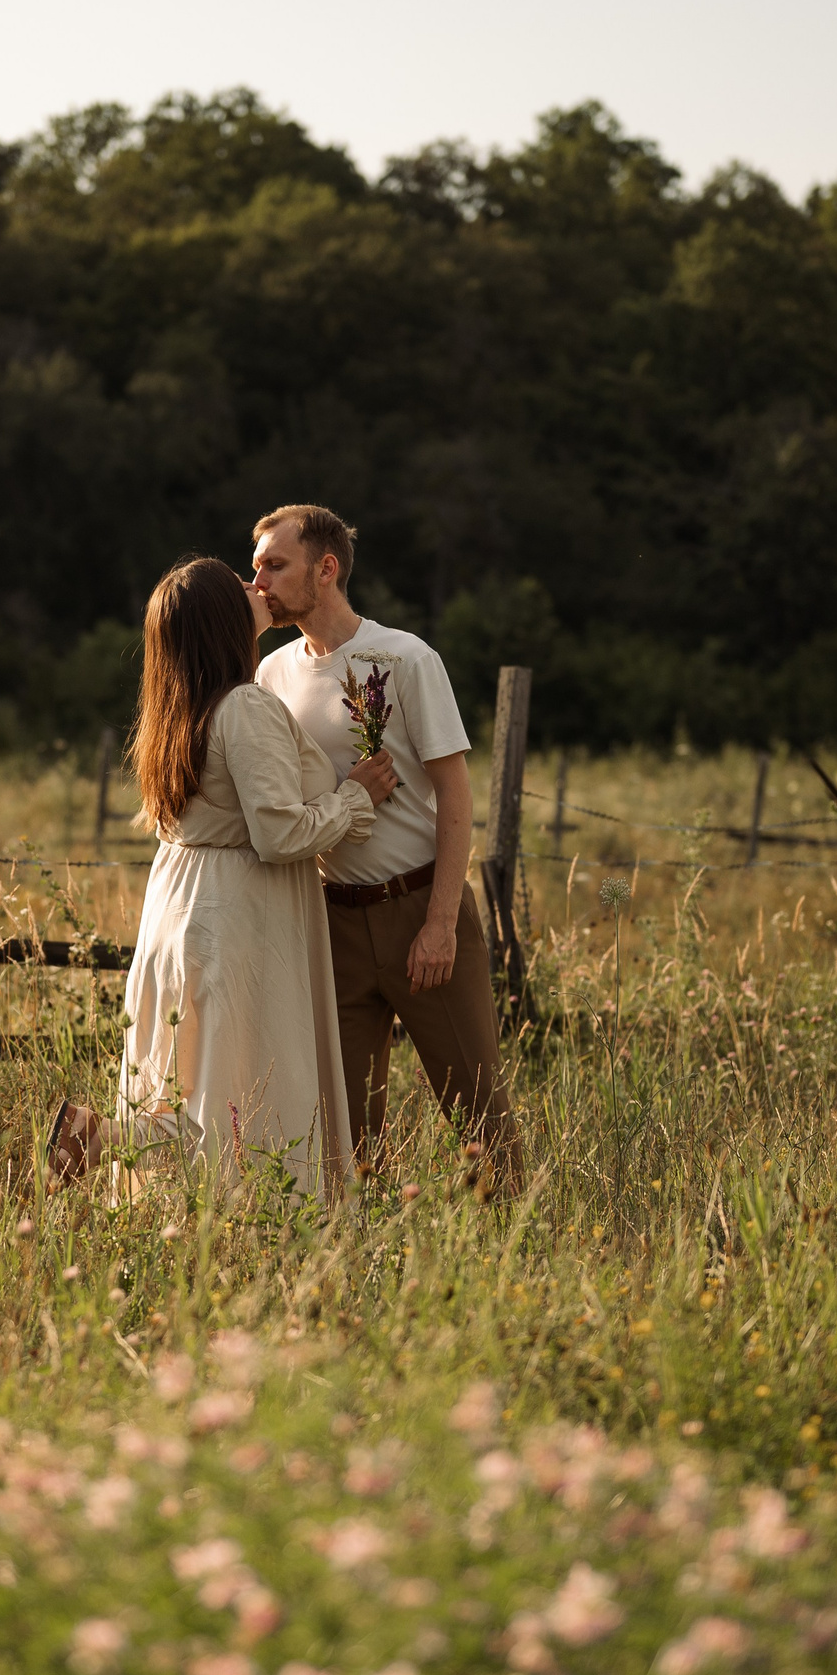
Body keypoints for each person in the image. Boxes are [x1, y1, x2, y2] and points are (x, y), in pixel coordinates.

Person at [52, 556, 399, 1199]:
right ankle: (107, 1141)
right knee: (239, 1093)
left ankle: (108, 1143)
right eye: (238, 588)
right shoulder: (244, 706)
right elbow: (279, 833)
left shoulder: (175, 710)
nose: (255, 587)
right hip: (236, 912)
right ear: (219, 619)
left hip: (178, 907)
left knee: (196, 1081)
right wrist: (355, 797)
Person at [249, 504, 524, 1192]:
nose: (258, 581)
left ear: (327, 567)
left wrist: (439, 923)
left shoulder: (405, 658)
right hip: (330, 922)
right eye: (256, 566)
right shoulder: (270, 674)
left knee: (479, 1112)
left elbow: (455, 795)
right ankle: (368, 1269)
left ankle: (523, 1248)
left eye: (274, 565)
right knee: (344, 1130)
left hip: (419, 910)